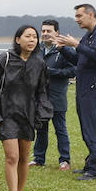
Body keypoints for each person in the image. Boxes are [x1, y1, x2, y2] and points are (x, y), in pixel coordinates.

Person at [0, 24, 52, 191]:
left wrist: (43, 114)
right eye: (27, 36)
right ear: (17, 39)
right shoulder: (5, 59)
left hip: (28, 115)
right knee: (11, 157)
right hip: (6, 116)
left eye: (34, 37)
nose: (32, 40)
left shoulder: (39, 64)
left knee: (24, 157)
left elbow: (43, 92)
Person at [56, 3, 96, 180]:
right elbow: (80, 59)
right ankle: (91, 162)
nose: (77, 19)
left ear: (91, 14)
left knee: (92, 126)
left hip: (93, 87)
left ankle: (94, 169)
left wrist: (76, 44)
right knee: (86, 126)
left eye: (80, 16)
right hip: (84, 86)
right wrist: (63, 48)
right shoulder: (89, 36)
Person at [30, 19, 75, 171]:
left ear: (57, 32)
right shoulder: (37, 50)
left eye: (49, 31)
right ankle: (38, 158)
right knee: (41, 129)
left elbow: (73, 70)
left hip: (57, 96)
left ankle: (64, 160)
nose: (45, 34)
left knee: (60, 129)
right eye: (43, 31)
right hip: (40, 97)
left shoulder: (64, 50)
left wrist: (52, 72)